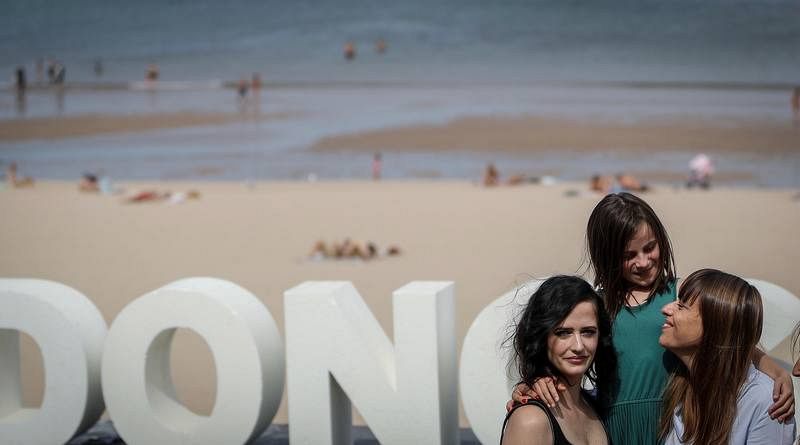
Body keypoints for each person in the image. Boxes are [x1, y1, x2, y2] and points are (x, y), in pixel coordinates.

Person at [509, 193, 795, 444]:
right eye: (628, 255)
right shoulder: (599, 307)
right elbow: (570, 352)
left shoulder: (680, 294)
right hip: (613, 425)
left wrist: (776, 370)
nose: (644, 262)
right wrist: (536, 382)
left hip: (673, 421)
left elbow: (727, 340)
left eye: (650, 248)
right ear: (606, 256)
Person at [659, 268, 796, 444]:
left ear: (715, 326)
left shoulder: (766, 403)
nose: (665, 309)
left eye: (682, 306)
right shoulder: (684, 387)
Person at [501, 275, 616, 445]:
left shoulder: (595, 406)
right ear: (541, 337)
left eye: (588, 332)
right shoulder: (530, 420)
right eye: (563, 333)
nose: (578, 346)